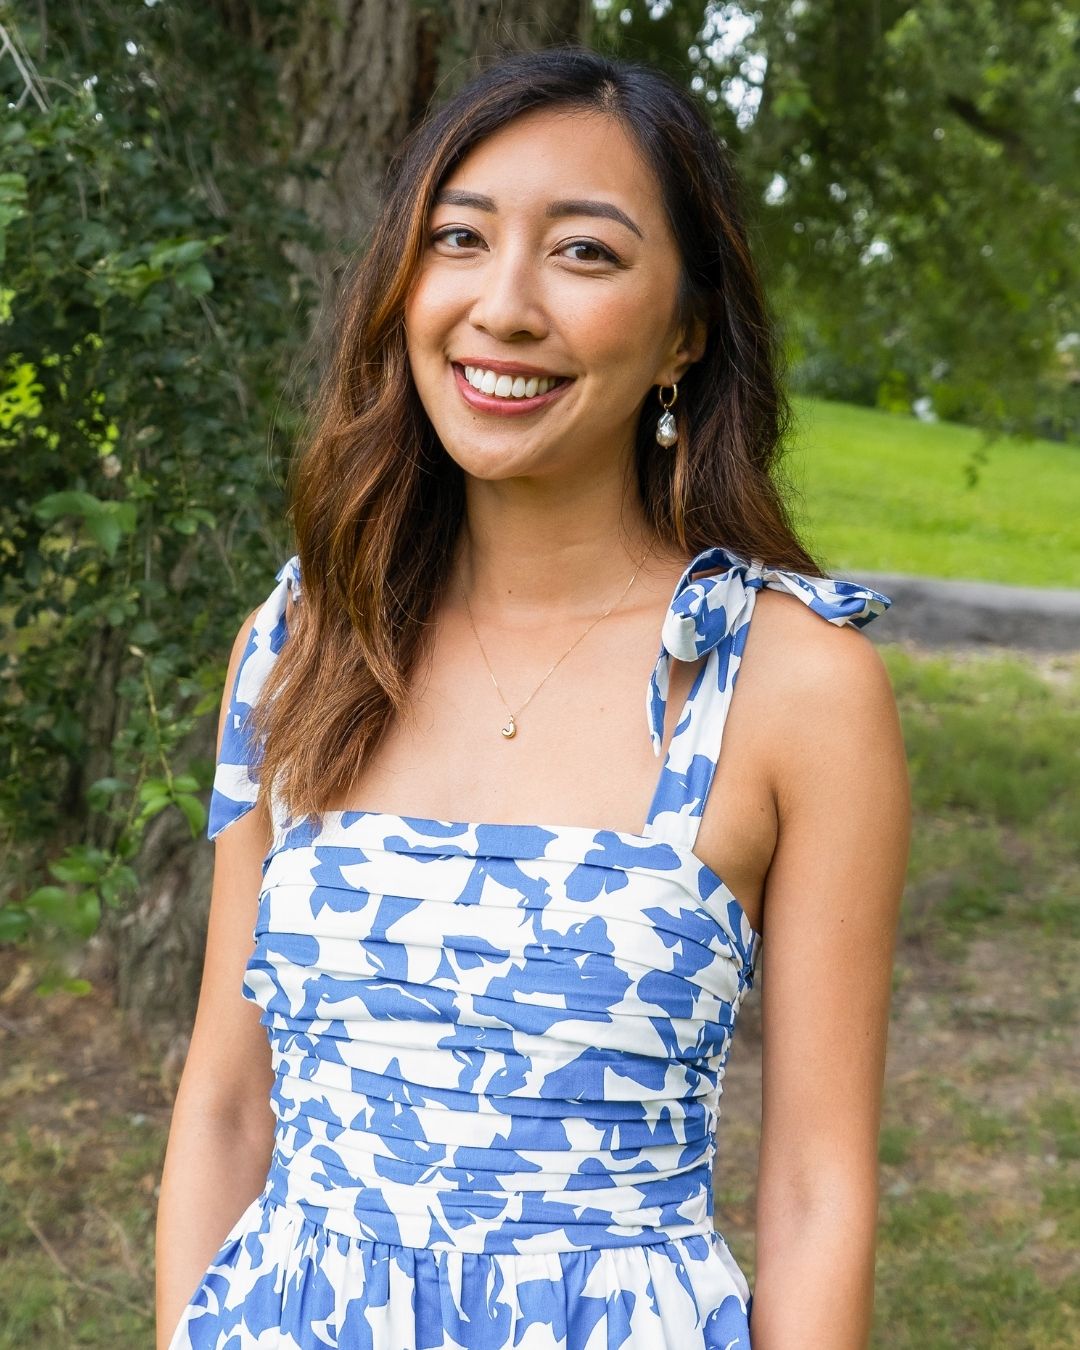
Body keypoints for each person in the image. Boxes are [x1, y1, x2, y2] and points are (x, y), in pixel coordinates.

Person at [155, 44, 910, 1350]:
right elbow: (227, 1102)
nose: (503, 305)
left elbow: (814, 1190)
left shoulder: (789, 680)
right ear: (404, 284)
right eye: (459, 238)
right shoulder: (299, 644)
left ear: (685, 330)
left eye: (585, 253)